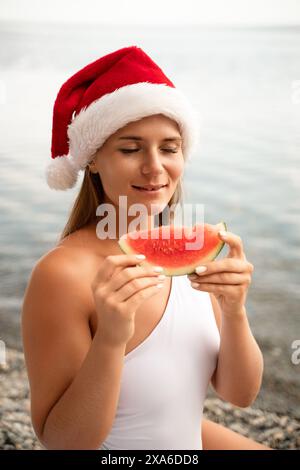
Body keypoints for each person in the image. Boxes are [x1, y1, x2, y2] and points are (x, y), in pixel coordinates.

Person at [21, 46, 272, 450]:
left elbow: (239, 395)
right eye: (130, 148)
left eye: (169, 148)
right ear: (94, 161)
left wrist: (235, 309)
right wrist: (110, 340)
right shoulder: (61, 276)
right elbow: (64, 442)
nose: (155, 166)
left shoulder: (192, 255)